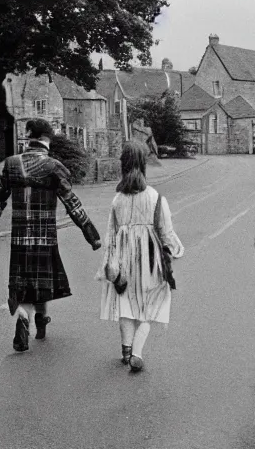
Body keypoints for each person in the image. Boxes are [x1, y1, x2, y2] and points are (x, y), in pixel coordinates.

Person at [0, 118, 101, 352]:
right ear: (47, 139)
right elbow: (72, 203)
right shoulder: (53, 167)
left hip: (19, 239)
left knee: (24, 286)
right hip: (45, 238)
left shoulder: (11, 164)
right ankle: (40, 321)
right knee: (41, 284)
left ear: (29, 138)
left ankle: (22, 317)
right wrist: (91, 233)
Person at [95, 141, 184, 372]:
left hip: (123, 261)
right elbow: (166, 231)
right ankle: (137, 352)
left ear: (122, 165)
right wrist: (176, 249)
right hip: (150, 261)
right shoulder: (155, 197)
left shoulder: (117, 200)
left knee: (125, 303)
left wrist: (110, 263)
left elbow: (110, 235)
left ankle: (125, 351)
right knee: (151, 304)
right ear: (143, 165)